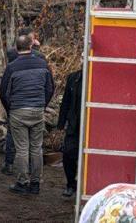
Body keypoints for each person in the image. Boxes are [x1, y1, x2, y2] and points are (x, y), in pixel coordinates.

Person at [0, 29, 55, 195]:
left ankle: (22, 182)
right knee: (36, 148)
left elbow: (4, 92)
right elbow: (50, 87)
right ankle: (36, 182)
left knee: (22, 149)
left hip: (18, 111)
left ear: (16, 49)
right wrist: (42, 104)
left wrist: (11, 108)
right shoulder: (42, 64)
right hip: (37, 110)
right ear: (31, 46)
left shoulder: (12, 67)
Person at [56, 68, 83, 197]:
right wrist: (61, 122)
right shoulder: (74, 77)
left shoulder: (98, 78)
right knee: (68, 154)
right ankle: (71, 184)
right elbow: (66, 100)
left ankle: (83, 185)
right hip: (74, 123)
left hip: (92, 125)